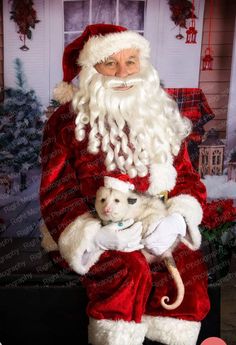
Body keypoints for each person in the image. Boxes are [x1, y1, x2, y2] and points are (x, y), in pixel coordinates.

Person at [39, 24, 210, 345]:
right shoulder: (64, 121)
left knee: (186, 268)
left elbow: (186, 177)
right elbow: (56, 191)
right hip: (97, 224)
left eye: (130, 61)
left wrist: (176, 220)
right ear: (91, 69)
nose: (122, 73)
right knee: (127, 271)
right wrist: (96, 235)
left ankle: (171, 336)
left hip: (156, 220)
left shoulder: (161, 113)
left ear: (142, 65)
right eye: (109, 63)